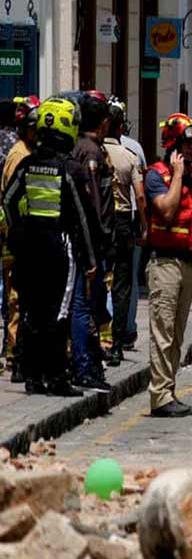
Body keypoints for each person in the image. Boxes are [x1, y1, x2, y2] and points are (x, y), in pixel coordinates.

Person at [2, 98, 96, 397]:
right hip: (60, 247)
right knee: (59, 313)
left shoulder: (27, 165)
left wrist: (21, 228)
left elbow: (7, 201)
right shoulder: (69, 170)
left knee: (31, 310)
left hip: (31, 247)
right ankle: (56, 378)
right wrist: (91, 257)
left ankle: (32, 376)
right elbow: (82, 217)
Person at [144, 114, 192, 417]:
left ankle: (169, 391)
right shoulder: (156, 175)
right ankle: (160, 397)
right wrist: (179, 173)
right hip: (165, 264)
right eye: (188, 144)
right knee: (163, 333)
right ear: (174, 147)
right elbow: (166, 212)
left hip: (189, 264)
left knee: (178, 335)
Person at [70, 94, 114, 391]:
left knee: (91, 305)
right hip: (92, 244)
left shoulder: (84, 149)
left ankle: (89, 362)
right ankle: (84, 366)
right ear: (104, 123)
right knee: (85, 305)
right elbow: (95, 203)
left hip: (91, 241)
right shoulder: (92, 154)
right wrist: (97, 245)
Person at [104, 99, 146, 367]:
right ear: (120, 127)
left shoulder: (90, 152)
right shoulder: (129, 156)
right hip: (121, 222)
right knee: (122, 285)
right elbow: (140, 197)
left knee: (94, 282)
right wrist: (144, 225)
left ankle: (97, 339)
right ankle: (117, 343)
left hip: (97, 222)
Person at [0, 96, 38, 380]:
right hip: (16, 237)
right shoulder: (19, 155)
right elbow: (13, 199)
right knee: (16, 295)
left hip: (20, 235)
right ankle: (14, 352)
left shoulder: (25, 151)